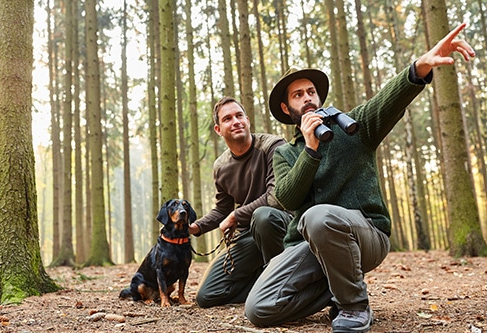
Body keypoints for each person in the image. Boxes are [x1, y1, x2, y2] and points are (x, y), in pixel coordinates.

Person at [244, 23, 475, 332]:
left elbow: (387, 99)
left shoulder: (354, 127)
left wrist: (419, 67)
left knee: (318, 217)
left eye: (311, 92)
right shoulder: (285, 153)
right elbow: (286, 197)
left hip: (366, 236)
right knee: (258, 308)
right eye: (299, 95)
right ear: (287, 109)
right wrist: (310, 149)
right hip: (309, 246)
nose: (308, 98)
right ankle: (338, 287)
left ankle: (353, 305)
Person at [189, 96, 291, 308]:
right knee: (207, 295)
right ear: (218, 130)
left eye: (239, 116)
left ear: (247, 120)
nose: (235, 121)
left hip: (282, 226)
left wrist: (236, 216)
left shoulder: (274, 146)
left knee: (263, 216)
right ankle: (262, 285)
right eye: (227, 119)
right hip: (248, 236)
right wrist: (195, 227)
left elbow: (276, 197)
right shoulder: (221, 166)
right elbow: (222, 209)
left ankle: (282, 283)